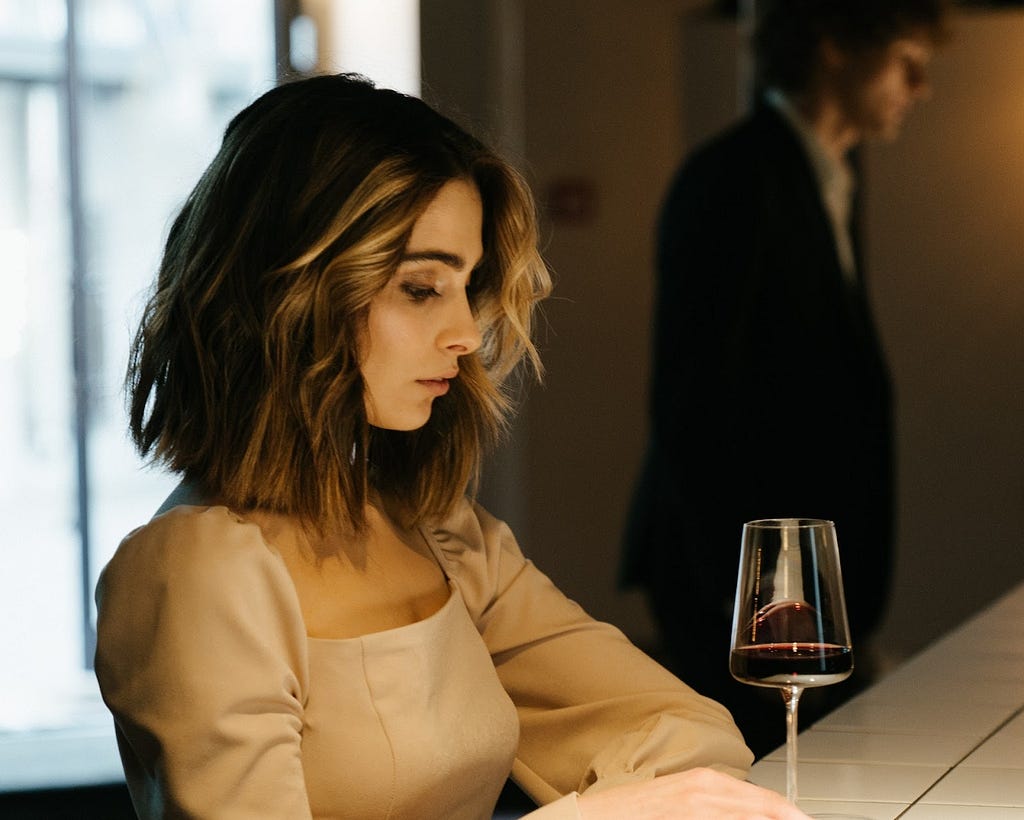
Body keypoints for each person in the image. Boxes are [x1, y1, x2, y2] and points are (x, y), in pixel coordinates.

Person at [92, 73, 808, 819]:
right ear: (291, 294)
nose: (467, 334)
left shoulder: (441, 534)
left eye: (468, 286)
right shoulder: (194, 571)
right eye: (422, 288)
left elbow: (686, 732)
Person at [621, 0, 951, 759]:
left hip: (807, 584)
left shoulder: (833, 173)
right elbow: (693, 409)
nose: (922, 85)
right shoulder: (732, 180)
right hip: (748, 585)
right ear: (836, 43)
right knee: (759, 778)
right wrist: (762, 601)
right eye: (907, 58)